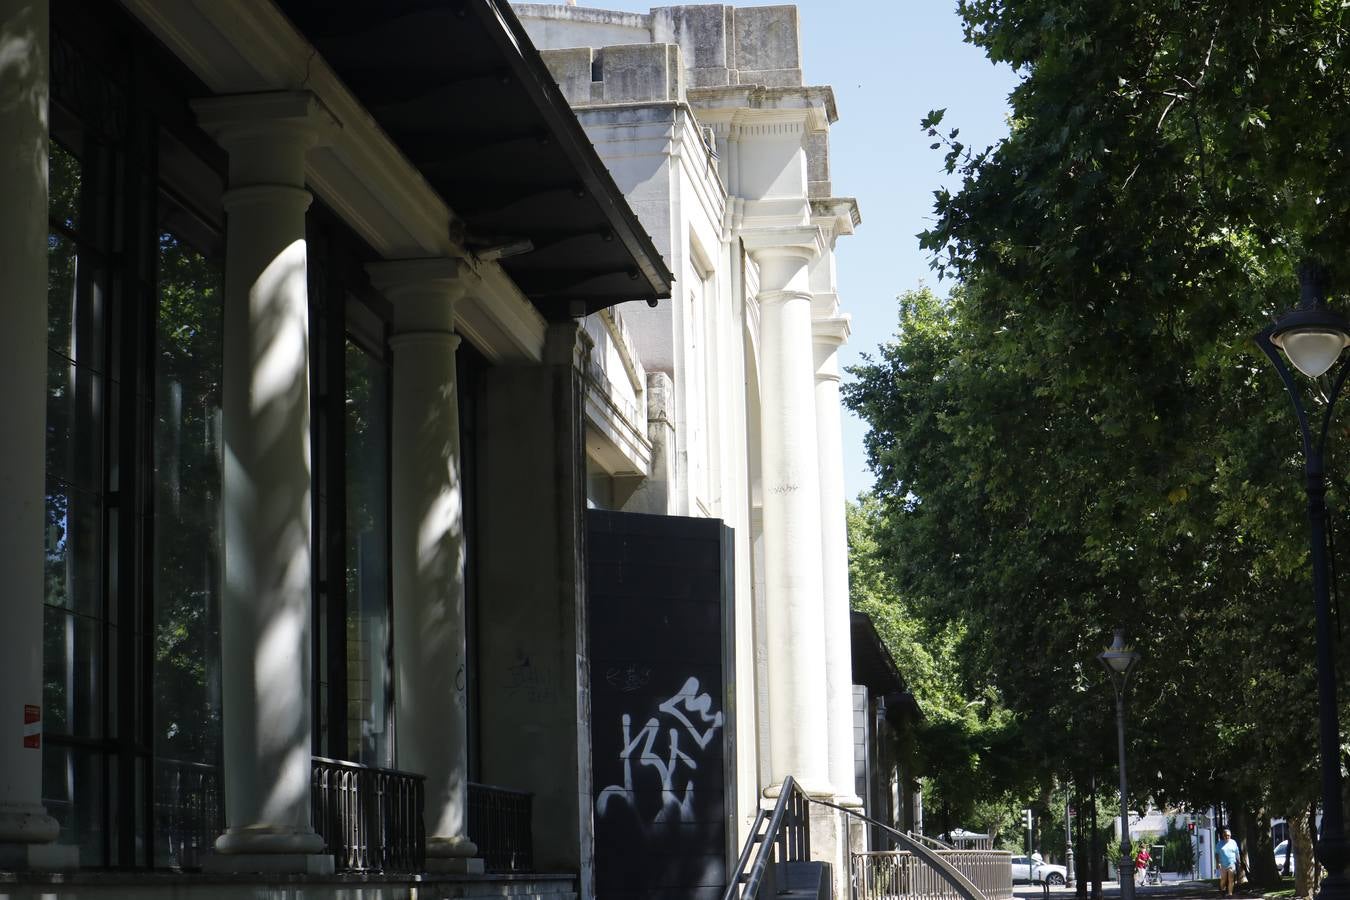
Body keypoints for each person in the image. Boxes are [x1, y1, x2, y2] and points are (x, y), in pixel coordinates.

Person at [1215, 828, 1239, 897]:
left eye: (1228, 835)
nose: (1227, 836)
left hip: (1231, 863)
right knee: (1223, 879)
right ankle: (1222, 890)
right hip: (1223, 864)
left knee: (1231, 879)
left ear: (1230, 835)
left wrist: (1239, 861)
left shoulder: (1233, 842)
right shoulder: (1219, 844)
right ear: (1223, 836)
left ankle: (1230, 894)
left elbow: (1237, 852)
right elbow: (1216, 853)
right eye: (1225, 835)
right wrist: (1217, 862)